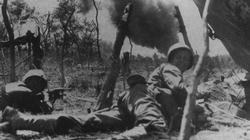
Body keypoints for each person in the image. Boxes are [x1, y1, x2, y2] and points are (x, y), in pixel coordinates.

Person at [0, 43, 195, 139]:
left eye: (186, 59)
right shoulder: (170, 69)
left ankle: (22, 121)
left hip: (132, 110)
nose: (182, 61)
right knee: (152, 125)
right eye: (179, 57)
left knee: (85, 121)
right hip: (142, 99)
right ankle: (151, 128)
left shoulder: (174, 74)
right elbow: (178, 88)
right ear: (171, 58)